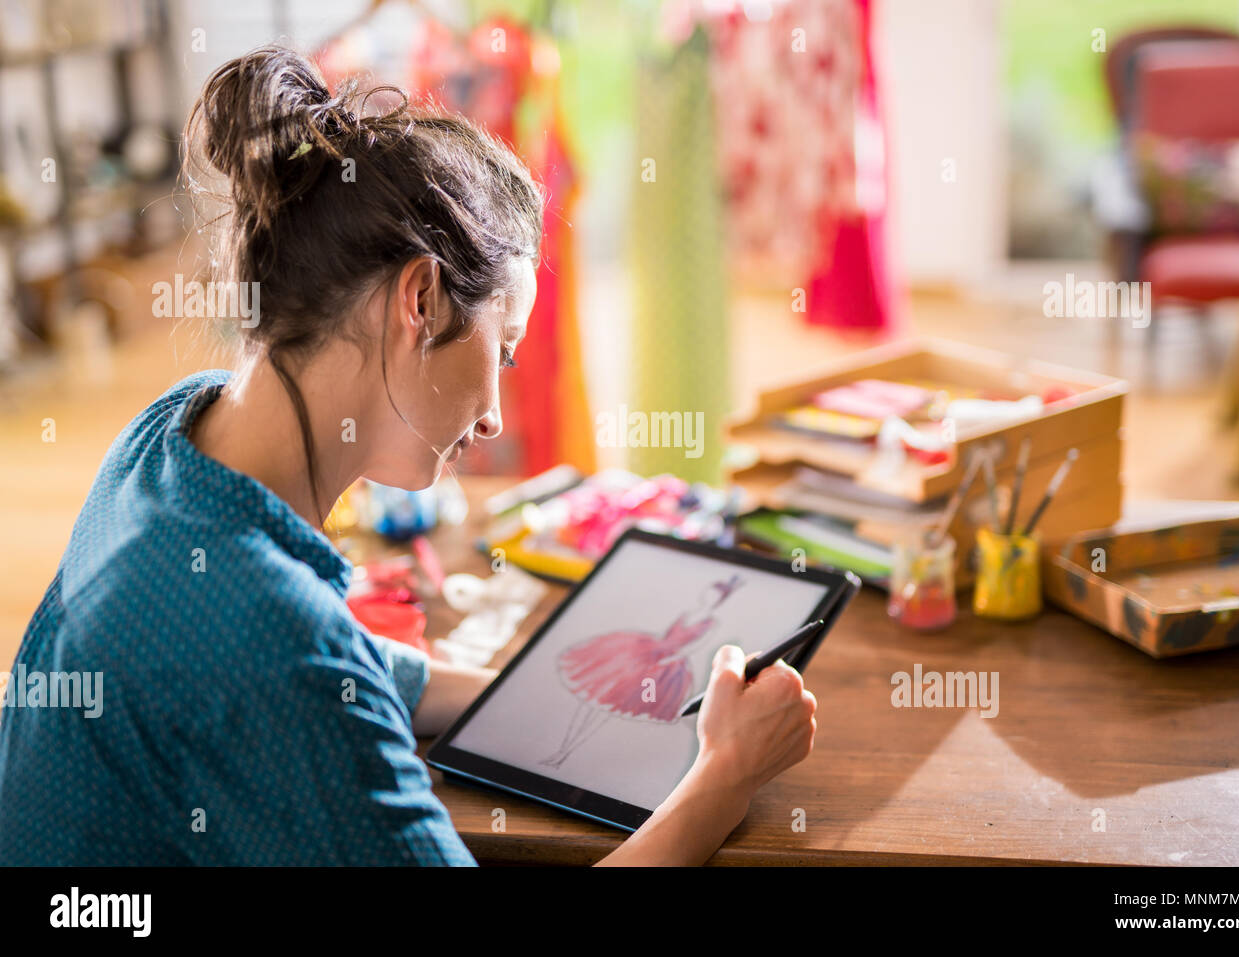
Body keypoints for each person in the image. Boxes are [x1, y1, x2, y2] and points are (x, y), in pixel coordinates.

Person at [0, 46, 816, 866]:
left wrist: (502, 696)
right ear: (419, 300)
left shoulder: (169, 431)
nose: (497, 415)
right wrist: (723, 775)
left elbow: (304, 662)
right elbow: (285, 660)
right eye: (503, 350)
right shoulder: (273, 639)